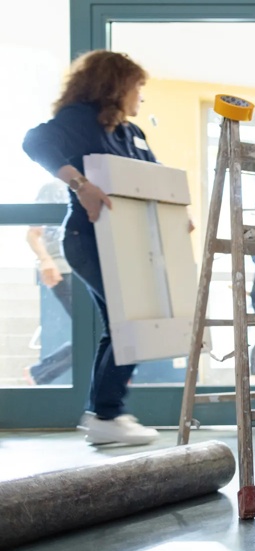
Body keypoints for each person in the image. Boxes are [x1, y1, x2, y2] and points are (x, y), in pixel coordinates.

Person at [22, 50, 161, 445]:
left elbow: (154, 176)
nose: (141, 97)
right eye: (137, 88)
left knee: (121, 324)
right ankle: (105, 414)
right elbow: (35, 143)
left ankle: (104, 415)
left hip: (126, 243)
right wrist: (81, 185)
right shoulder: (79, 120)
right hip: (88, 238)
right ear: (116, 86)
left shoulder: (131, 133)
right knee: (128, 320)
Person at [24, 182, 74, 385]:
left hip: (83, 269)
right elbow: (32, 233)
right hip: (61, 269)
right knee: (93, 334)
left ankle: (38, 373)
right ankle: (39, 373)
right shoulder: (54, 188)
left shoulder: (89, 187)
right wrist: (45, 261)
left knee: (95, 334)